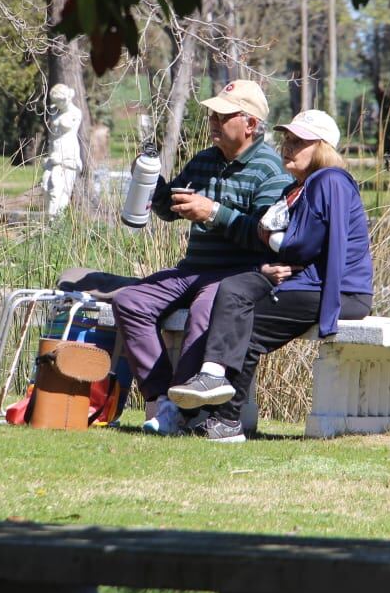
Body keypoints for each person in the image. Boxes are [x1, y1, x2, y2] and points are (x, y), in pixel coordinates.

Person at [167, 109, 373, 442]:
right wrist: (270, 258)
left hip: (340, 292)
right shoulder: (300, 187)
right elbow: (294, 245)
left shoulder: (329, 179)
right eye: (287, 139)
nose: (288, 147)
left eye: (299, 142)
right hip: (310, 283)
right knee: (235, 288)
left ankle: (225, 419)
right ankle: (212, 381)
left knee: (245, 326)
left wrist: (271, 238)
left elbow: (302, 245)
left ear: (322, 148)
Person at [110, 79, 291, 436]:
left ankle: (182, 409)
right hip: (193, 270)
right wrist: (153, 186)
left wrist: (212, 213)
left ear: (250, 124)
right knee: (130, 301)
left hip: (237, 274)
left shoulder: (271, 171)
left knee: (203, 314)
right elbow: (170, 209)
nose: (212, 121)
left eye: (222, 116)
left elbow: (264, 238)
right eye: (211, 114)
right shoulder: (205, 160)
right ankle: (162, 399)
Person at [42, 83, 83, 217]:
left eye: (58, 101)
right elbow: (53, 135)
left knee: (59, 191)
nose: (56, 104)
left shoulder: (75, 113)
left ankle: (56, 225)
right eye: (54, 102)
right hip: (53, 154)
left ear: (66, 99)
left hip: (67, 154)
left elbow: (66, 127)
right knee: (45, 188)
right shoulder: (55, 111)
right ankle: (50, 224)